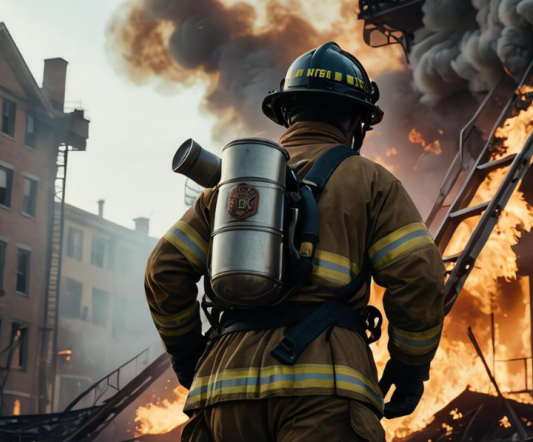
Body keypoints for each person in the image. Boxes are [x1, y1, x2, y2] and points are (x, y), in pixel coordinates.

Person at [145, 42, 446, 442]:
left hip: (222, 390)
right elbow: (419, 276)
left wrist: (188, 358)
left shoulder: (231, 189)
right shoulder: (373, 182)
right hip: (326, 391)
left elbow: (163, 272)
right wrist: (408, 369)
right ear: (356, 120)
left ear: (287, 112)